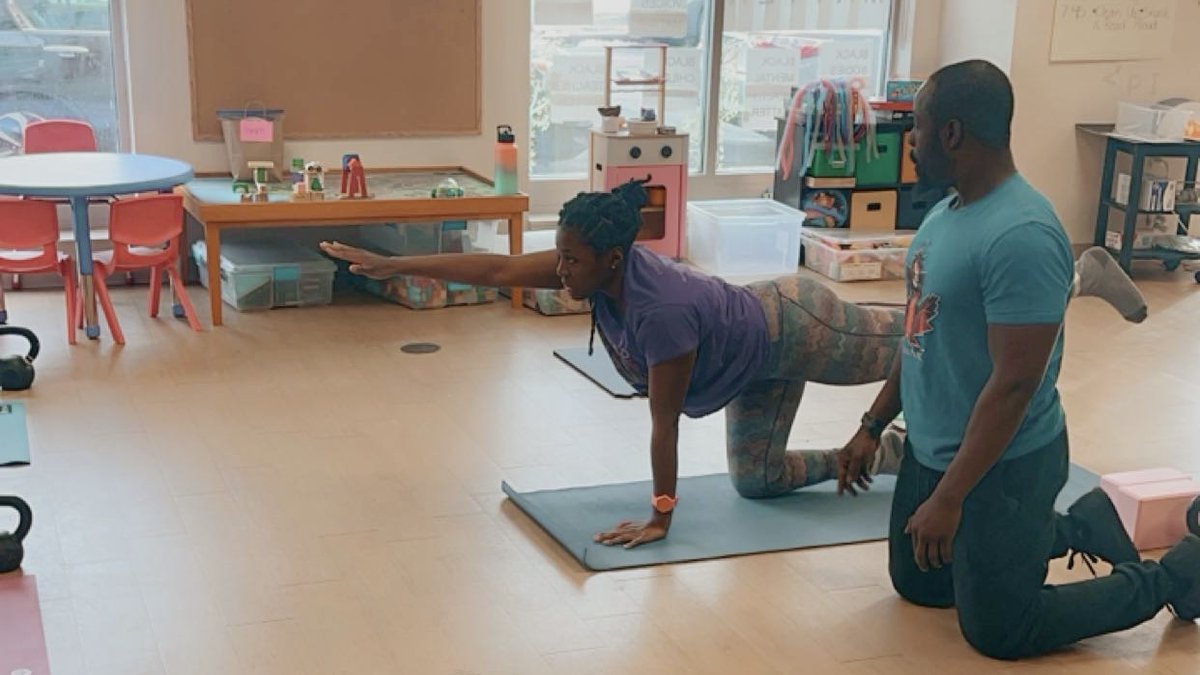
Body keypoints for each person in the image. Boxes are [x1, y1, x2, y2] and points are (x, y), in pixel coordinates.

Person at [321, 178, 1145, 553]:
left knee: (926, 332)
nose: (557, 271)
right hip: (756, 362)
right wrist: (394, 267)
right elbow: (498, 271)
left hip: (795, 322)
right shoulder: (592, 266)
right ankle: (894, 456)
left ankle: (1073, 281)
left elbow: (662, 421)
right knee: (756, 480)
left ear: (609, 258)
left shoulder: (660, 315)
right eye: (559, 256)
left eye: (569, 260)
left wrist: (663, 514)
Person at [835, 59, 1198, 660]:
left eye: (919, 129)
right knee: (920, 583)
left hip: (1004, 468)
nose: (913, 144)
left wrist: (951, 498)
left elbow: (1015, 384)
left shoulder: (1022, 235)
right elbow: (917, 338)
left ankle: (1175, 576)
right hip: (933, 453)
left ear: (952, 134)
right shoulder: (942, 216)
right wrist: (870, 427)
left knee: (1002, 630)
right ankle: (1079, 526)